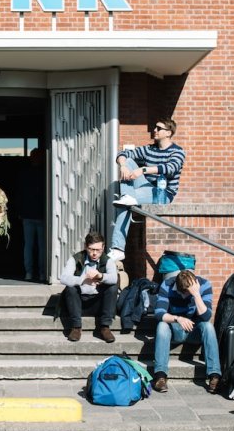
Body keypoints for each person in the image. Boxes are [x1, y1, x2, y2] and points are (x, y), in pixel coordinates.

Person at [108, 117, 186, 262]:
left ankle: (118, 248)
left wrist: (143, 170)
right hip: (144, 187)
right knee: (129, 161)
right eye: (155, 127)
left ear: (168, 133)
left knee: (124, 205)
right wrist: (123, 165)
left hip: (162, 192)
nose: (154, 130)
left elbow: (170, 168)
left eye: (159, 128)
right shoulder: (149, 149)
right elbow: (122, 154)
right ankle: (127, 197)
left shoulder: (177, 152)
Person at [153, 270, 221, 394]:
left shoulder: (204, 285)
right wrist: (178, 318)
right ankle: (160, 376)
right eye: (184, 293)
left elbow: (206, 316)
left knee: (208, 326)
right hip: (176, 329)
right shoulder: (167, 285)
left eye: (189, 292)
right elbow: (159, 313)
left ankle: (214, 376)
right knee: (162, 326)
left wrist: (196, 294)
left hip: (195, 330)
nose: (186, 296)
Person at [59, 231, 118, 343]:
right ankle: (76, 327)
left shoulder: (108, 260)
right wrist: (82, 280)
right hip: (79, 303)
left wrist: (101, 276)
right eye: (91, 249)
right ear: (85, 246)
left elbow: (114, 278)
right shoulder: (76, 258)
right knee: (70, 288)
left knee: (112, 288)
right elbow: (64, 278)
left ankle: (105, 327)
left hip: (98, 303)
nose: (94, 253)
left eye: (98, 250)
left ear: (103, 247)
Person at [18, 147, 46, 282]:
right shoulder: (45, 173)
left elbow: (20, 193)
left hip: (27, 213)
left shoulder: (24, 173)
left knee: (28, 245)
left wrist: (20, 211)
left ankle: (28, 273)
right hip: (41, 214)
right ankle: (42, 273)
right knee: (42, 246)